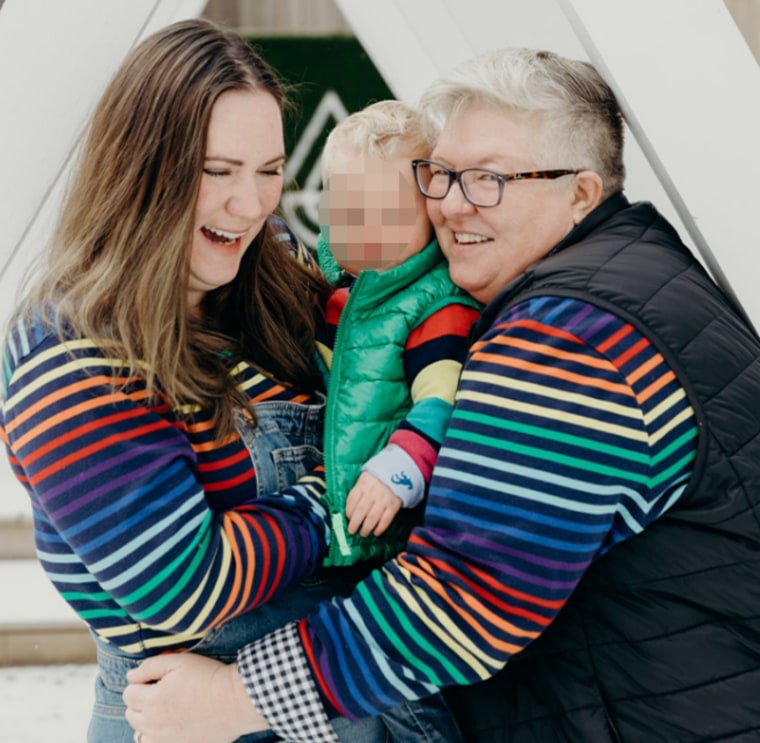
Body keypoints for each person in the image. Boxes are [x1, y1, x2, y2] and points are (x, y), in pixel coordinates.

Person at [124, 46, 760, 743]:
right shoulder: (622, 278)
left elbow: (465, 590)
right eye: (442, 174)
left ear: (581, 192)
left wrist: (235, 697)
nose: (451, 204)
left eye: (488, 178)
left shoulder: (569, 337)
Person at [0, 19, 379, 743]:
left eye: (270, 169)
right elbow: (186, 589)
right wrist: (344, 493)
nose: (252, 203)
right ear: (142, 165)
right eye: (218, 171)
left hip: (327, 701)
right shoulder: (70, 352)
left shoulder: (273, 265)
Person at [315, 100, 481, 741]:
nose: (361, 227)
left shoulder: (432, 305)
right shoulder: (344, 295)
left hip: (396, 536)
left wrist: (397, 472)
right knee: (353, 700)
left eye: (386, 214)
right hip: (346, 534)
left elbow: (441, 400)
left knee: (400, 688)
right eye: (346, 208)